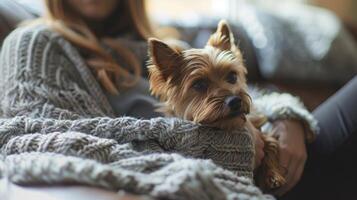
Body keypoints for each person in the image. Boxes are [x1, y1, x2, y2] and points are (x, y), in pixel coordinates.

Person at [0, 0, 350, 199]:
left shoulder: (170, 42)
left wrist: (287, 115)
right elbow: (40, 140)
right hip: (215, 186)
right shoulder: (34, 44)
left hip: (276, 165)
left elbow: (248, 92)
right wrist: (229, 145)